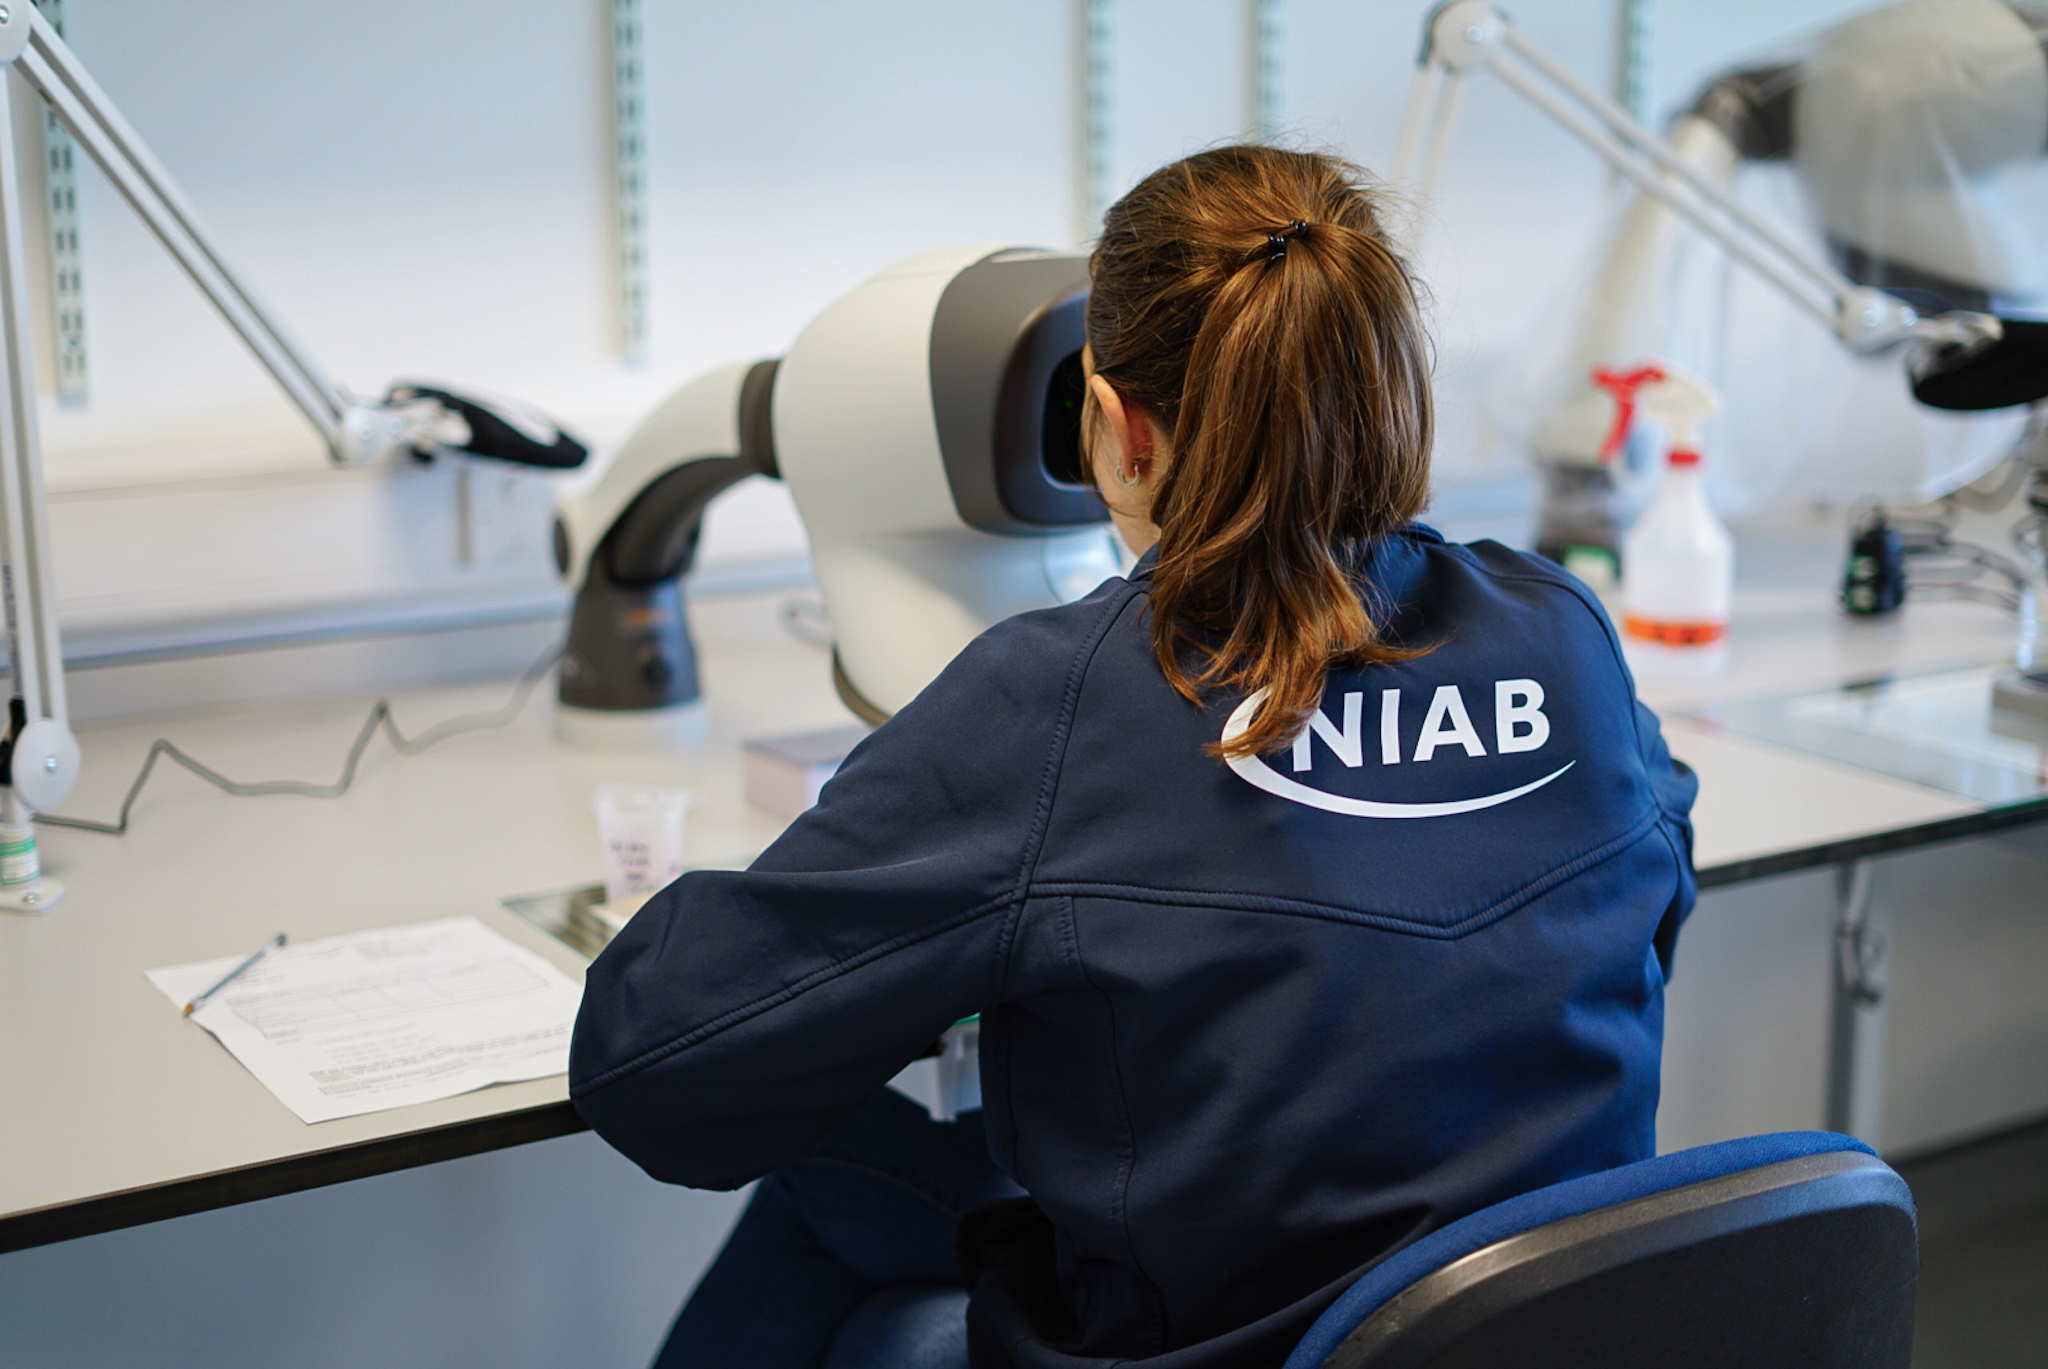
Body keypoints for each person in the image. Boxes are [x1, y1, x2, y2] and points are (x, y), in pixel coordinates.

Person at [569, 145, 1698, 1369]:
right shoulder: (1562, 634)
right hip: (1530, 1326)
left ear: (1114, 428)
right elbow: (1650, 884)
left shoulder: (1057, 699)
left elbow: (653, 1065)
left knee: (831, 1183)